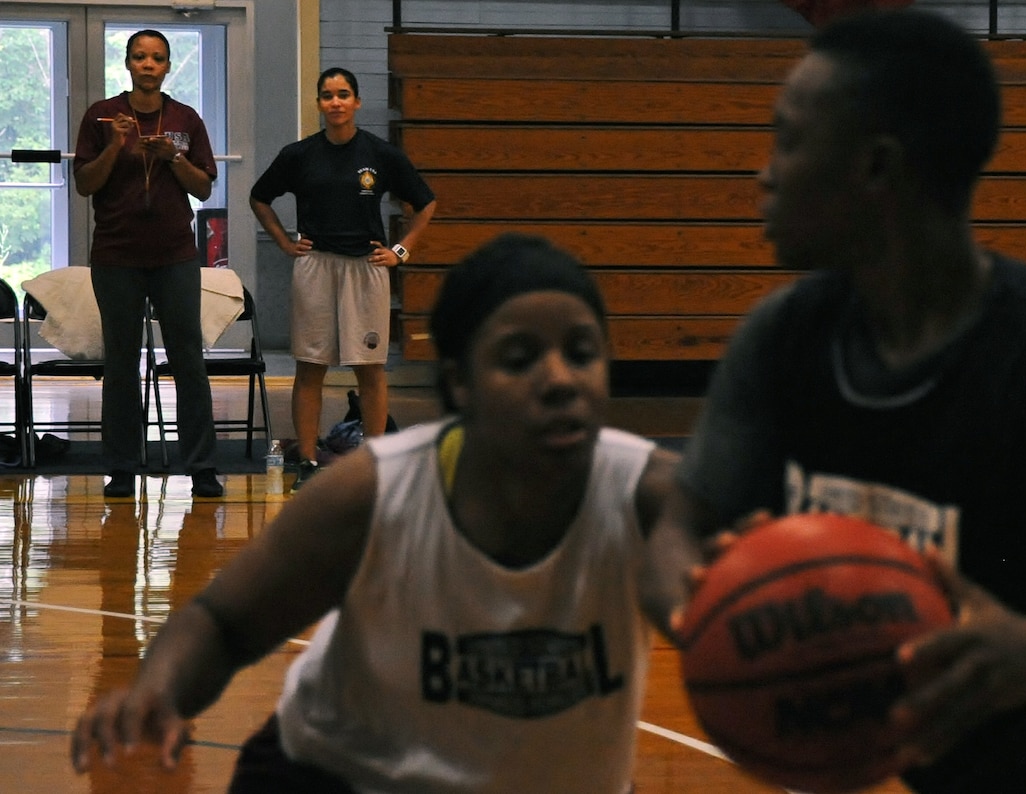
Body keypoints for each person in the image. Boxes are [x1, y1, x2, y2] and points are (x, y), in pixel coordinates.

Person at [69, 232, 697, 793]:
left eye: (582, 352)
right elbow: (224, 621)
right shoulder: (375, 492)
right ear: (459, 384)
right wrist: (158, 692)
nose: (561, 378)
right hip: (340, 776)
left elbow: (694, 588)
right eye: (518, 358)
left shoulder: (651, 494)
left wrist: (722, 607)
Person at [646, 9, 1026, 792]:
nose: (765, 173)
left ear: (877, 168)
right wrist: (712, 605)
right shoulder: (783, 340)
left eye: (787, 139)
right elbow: (678, 530)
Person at [249, 66, 436, 492]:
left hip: (367, 267)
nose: (335, 102)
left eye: (343, 94)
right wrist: (282, 241)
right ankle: (309, 461)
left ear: (356, 102)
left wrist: (400, 252)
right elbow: (259, 197)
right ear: (318, 103)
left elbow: (425, 203)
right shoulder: (299, 155)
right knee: (310, 366)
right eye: (327, 95)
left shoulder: (381, 154)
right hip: (315, 265)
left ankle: (373, 465)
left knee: (369, 369)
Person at [73, 29, 223, 499]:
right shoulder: (100, 116)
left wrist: (173, 157)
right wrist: (116, 147)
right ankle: (121, 467)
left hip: (174, 257)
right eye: (140, 57)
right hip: (116, 257)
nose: (148, 65)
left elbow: (203, 188)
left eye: (157, 58)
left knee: (188, 361)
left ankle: (200, 467)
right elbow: (84, 184)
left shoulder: (185, 119)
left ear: (167, 66)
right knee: (121, 363)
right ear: (127, 63)